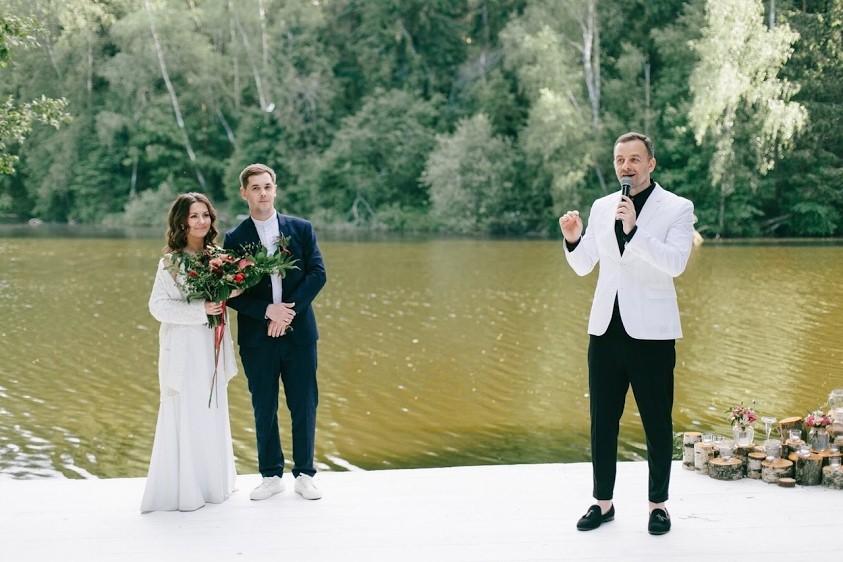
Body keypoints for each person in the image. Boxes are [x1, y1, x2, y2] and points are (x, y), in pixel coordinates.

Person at [559, 132, 695, 535]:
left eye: (634, 159)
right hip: (605, 330)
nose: (626, 166)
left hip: (652, 333)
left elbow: (675, 264)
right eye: (620, 159)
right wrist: (573, 238)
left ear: (650, 163)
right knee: (602, 420)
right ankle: (603, 503)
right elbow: (585, 265)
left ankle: (658, 505)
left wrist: (635, 230)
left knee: (657, 422)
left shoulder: (677, 207)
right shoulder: (602, 207)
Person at [224, 163, 327, 501]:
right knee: (264, 406)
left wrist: (287, 311)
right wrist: (268, 311)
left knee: (304, 403)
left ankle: (305, 474)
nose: (263, 193)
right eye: (255, 188)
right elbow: (231, 293)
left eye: (267, 186)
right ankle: (270, 475)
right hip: (258, 338)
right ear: (244, 193)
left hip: (299, 335)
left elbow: (317, 274)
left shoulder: (301, 229)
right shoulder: (235, 239)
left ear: (275, 189)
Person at [141, 193, 238, 513]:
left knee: (211, 408)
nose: (201, 221)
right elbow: (157, 307)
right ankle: (184, 489)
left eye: (205, 215)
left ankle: (212, 485)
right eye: (194, 216)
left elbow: (229, 292)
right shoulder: (170, 262)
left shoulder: (219, 257)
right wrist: (201, 310)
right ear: (182, 221)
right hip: (185, 348)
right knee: (187, 408)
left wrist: (233, 289)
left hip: (212, 346)